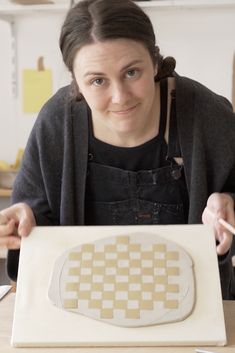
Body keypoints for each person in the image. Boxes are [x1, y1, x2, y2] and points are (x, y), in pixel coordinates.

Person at [0, 0, 235, 299]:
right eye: (97, 80)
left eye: (132, 73)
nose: (120, 97)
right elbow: (36, 230)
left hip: (196, 308)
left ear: (154, 61)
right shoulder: (57, 123)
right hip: (83, 306)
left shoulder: (207, 114)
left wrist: (228, 204)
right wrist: (24, 222)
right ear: (76, 81)